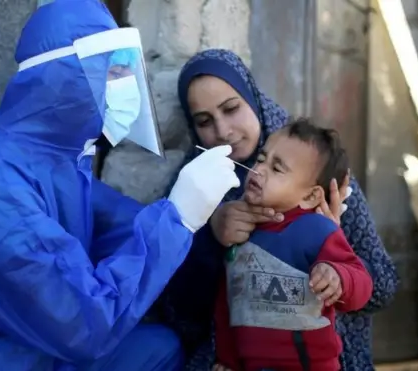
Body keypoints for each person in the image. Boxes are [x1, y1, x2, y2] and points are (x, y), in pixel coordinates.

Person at [0, 2, 241, 370]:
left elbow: (121, 223)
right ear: (66, 80)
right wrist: (178, 217)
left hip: (32, 346)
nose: (125, 87)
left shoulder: (55, 159)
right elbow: (83, 324)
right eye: (113, 73)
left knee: (157, 348)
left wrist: (208, 226)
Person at [156, 49, 399, 371]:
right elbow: (177, 313)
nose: (223, 130)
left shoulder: (314, 170)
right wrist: (209, 238)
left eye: (231, 109)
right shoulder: (193, 184)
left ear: (252, 98)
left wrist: (330, 254)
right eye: (204, 121)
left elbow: (383, 287)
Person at [212, 118, 373, 371]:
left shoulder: (317, 230)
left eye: (277, 169)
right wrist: (228, 361)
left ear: (310, 196)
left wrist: (338, 276)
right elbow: (229, 306)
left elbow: (362, 284)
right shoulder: (239, 232)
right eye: (262, 158)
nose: (258, 170)